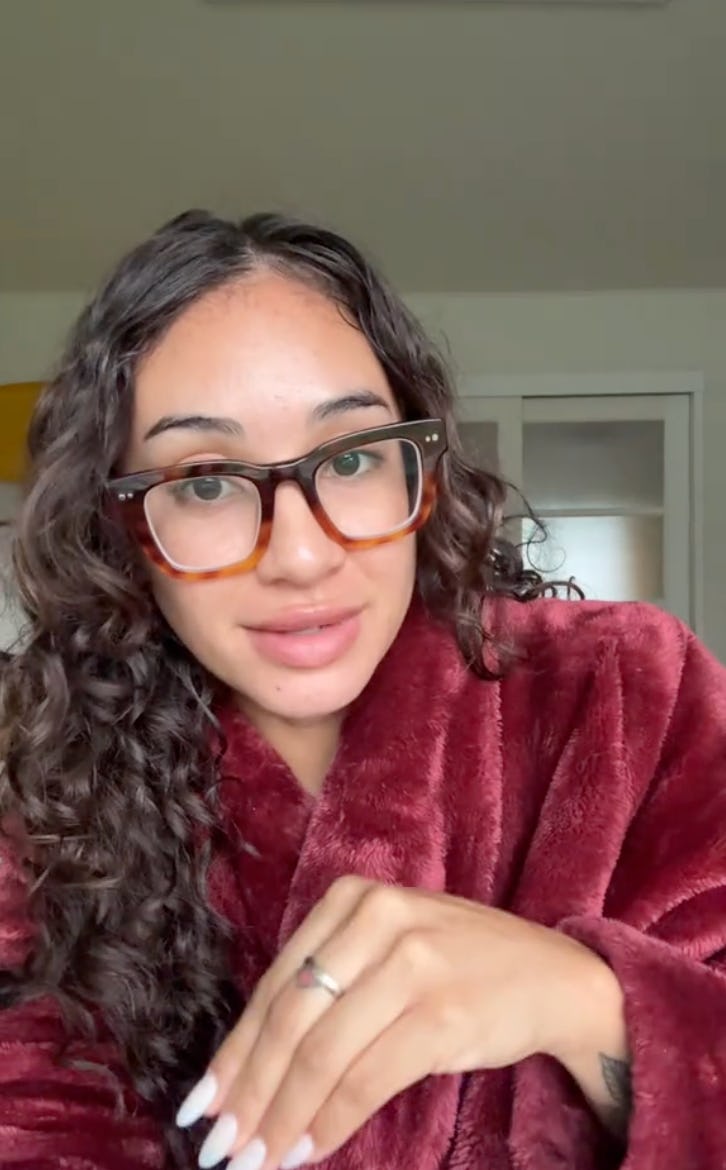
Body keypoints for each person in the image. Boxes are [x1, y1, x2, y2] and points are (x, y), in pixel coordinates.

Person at [0, 211, 724, 1170]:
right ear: (122, 527)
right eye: (207, 482)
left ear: (418, 469)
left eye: (349, 459)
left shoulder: (630, 691)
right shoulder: (40, 793)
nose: (302, 555)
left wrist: (581, 1000)